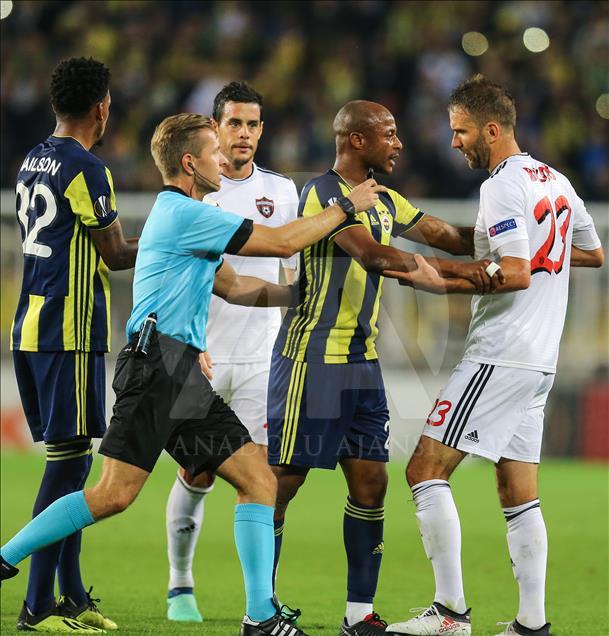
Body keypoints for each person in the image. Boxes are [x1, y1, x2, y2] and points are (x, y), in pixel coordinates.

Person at [1, 113, 385, 636]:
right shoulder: (183, 212)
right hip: (156, 366)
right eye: (213, 152)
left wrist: (301, 296)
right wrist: (345, 207)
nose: (223, 159)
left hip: (180, 371)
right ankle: (4, 557)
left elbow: (234, 286)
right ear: (189, 163)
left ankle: (261, 617)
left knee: (257, 480)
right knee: (113, 495)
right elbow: (280, 243)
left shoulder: (192, 215)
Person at [267, 99, 502, 636]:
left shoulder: (385, 198)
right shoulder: (323, 194)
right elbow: (374, 256)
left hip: (362, 365)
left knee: (372, 484)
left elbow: (442, 232)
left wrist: (508, 241)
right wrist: (467, 273)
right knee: (282, 484)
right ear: (357, 139)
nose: (399, 143)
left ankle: (359, 615)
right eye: (389, 134)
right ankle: (260, 607)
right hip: (313, 359)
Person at [384, 75, 604, 636]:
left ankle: (449, 614)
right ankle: (531, 623)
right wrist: (532, 258)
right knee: (517, 490)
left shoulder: (501, 185)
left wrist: (442, 278)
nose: (453, 142)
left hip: (501, 353)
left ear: (490, 129)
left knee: (424, 469)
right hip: (541, 359)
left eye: (460, 131)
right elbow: (592, 253)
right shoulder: (556, 180)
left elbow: (515, 273)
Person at [9, 57, 138, 633]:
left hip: (33, 326)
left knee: (75, 462)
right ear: (102, 107)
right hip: (69, 330)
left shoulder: (31, 159)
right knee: (68, 471)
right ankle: (37, 605)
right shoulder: (87, 168)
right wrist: (179, 238)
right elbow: (115, 253)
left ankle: (73, 595)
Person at [164, 82, 299, 623]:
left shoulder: (282, 192)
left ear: (262, 130)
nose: (244, 134)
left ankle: (260, 605)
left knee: (259, 479)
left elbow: (291, 276)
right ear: (215, 127)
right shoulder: (199, 190)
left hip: (262, 360)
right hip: (202, 357)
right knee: (195, 473)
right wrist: (187, 341)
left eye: (252, 124)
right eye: (234, 123)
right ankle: (180, 584)